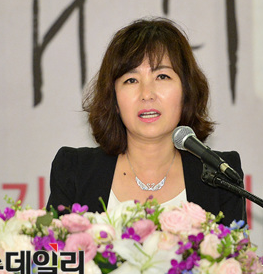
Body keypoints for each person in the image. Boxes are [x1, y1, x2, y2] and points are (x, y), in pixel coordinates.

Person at [46, 17, 246, 226]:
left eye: (162, 76)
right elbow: (51, 245)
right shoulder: (74, 171)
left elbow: (237, 247)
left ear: (186, 92)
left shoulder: (221, 175)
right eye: (131, 80)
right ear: (114, 100)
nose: (147, 94)